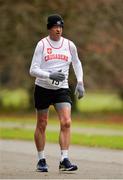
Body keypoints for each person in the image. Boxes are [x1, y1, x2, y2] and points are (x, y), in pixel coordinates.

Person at [29, 14, 85, 172]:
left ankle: (64, 159)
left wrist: (80, 82)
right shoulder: (42, 45)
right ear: (49, 28)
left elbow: (77, 62)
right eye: (55, 27)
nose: (58, 29)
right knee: (42, 123)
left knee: (66, 122)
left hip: (61, 89)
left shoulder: (69, 45)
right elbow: (33, 69)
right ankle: (41, 160)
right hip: (43, 88)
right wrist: (49, 75)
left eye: (60, 27)